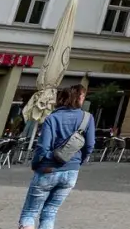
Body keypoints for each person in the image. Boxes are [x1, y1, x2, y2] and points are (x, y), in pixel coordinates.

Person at [20, 84, 94, 229]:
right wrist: (77, 162)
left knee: (30, 212)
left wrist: (36, 164)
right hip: (71, 171)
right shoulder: (87, 118)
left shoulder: (52, 118)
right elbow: (90, 145)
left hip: (48, 169)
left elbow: (43, 147)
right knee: (50, 212)